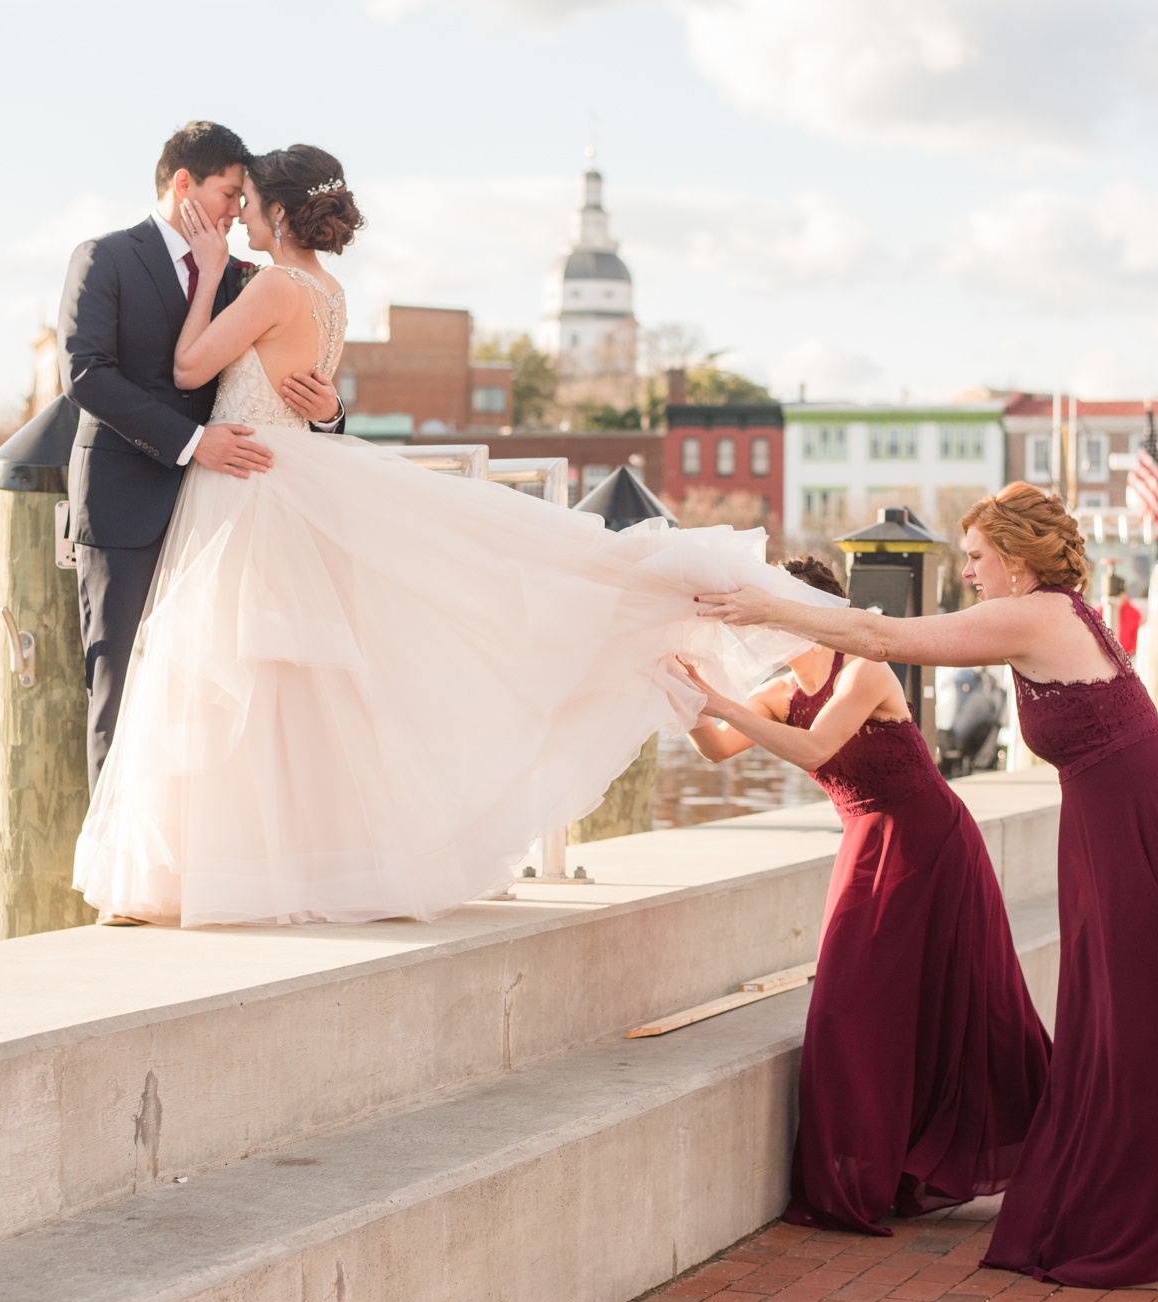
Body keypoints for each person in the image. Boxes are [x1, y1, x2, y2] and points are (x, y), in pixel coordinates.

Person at [72, 145, 838, 928]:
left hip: (253, 492)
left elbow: (191, 368)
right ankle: (273, 867)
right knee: (289, 688)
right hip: (284, 481)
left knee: (236, 679)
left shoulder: (269, 283)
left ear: (275, 212)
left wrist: (205, 270)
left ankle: (226, 872)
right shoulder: (330, 292)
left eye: (248, 203)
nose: (235, 218)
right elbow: (291, 390)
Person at [695, 481, 1158, 1289]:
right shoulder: (1047, 615)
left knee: (1149, 1023)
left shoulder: (1039, 613)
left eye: (979, 557)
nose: (970, 572)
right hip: (1118, 831)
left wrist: (770, 607)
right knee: (1135, 1023)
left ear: (1019, 560)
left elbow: (875, 634)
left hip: (1153, 829)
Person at [680, 557, 1050, 1235]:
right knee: (847, 1010)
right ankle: (859, 1179)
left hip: (933, 845)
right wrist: (677, 690)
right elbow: (714, 749)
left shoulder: (864, 670)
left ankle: (1059, 1151)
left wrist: (721, 700)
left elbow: (815, 747)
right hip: (867, 845)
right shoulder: (777, 691)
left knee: (972, 1005)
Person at [58, 122, 349, 796]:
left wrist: (329, 412)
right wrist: (192, 443)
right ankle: (119, 879)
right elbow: (87, 376)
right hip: (129, 503)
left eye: (244, 197)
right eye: (227, 192)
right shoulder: (103, 257)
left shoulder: (254, 277)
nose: (234, 209)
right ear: (184, 185)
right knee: (123, 687)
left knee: (214, 695)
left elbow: (283, 381)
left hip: (228, 514)